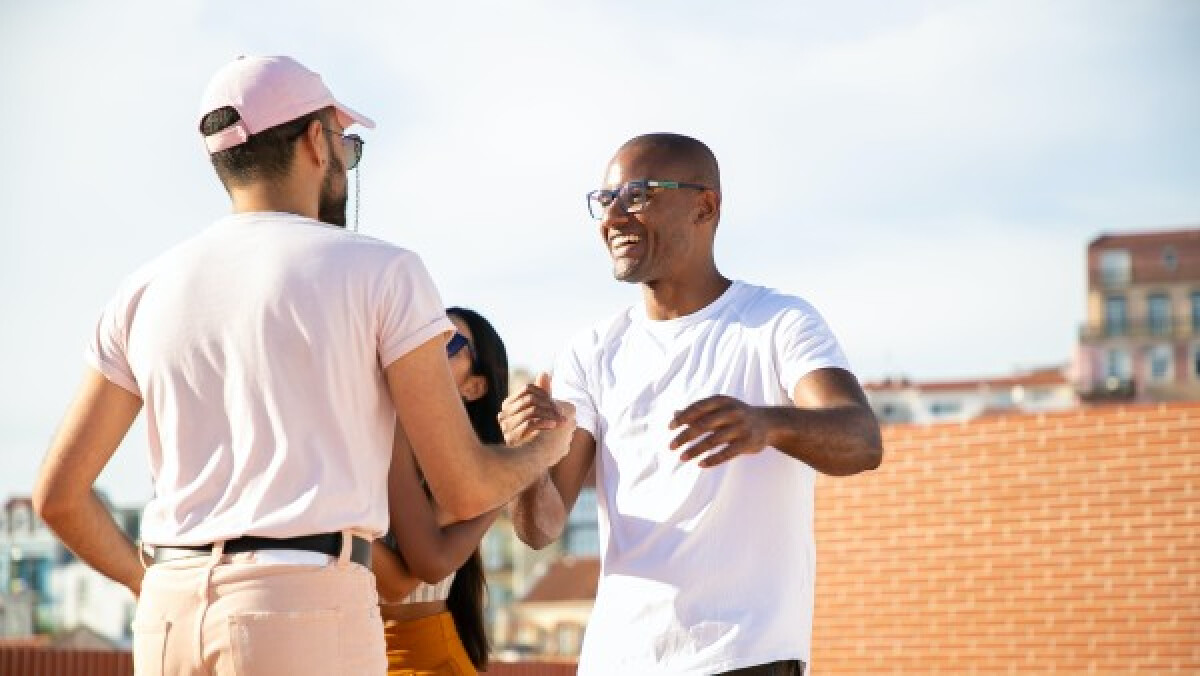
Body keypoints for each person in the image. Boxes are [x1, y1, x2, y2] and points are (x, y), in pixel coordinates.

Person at [32, 56, 573, 676]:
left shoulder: (144, 288)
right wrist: (546, 450)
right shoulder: (382, 270)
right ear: (317, 141)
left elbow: (59, 497)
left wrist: (147, 583)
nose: (346, 160)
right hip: (301, 607)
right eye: (347, 143)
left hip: (168, 614)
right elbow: (465, 485)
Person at [500, 133, 883, 675]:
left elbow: (861, 440)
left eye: (638, 195)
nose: (615, 215)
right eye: (605, 199)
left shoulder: (776, 322)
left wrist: (766, 424)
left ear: (705, 206)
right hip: (618, 661)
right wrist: (526, 459)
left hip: (742, 657)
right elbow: (541, 529)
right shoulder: (591, 350)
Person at [372, 307, 506, 675]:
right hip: (349, 645)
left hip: (419, 656)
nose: (426, 348)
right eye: (422, 335)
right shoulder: (368, 436)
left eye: (450, 343)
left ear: (474, 387)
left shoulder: (472, 470)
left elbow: (403, 577)